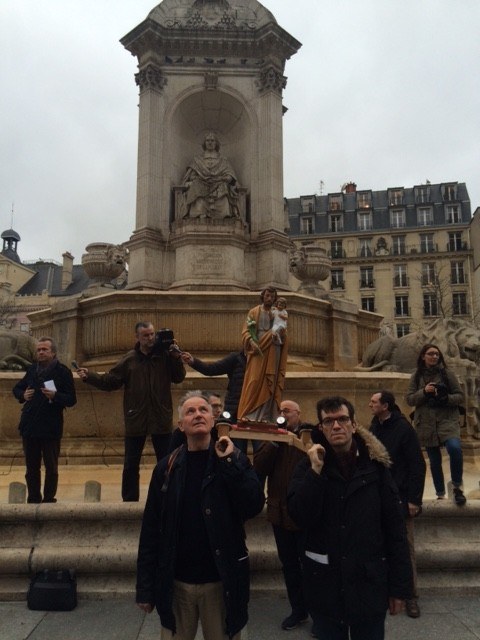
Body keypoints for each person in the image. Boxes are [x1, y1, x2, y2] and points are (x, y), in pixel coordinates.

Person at [136, 391, 265, 640]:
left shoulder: (233, 459)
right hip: (177, 584)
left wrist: (231, 464)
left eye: (203, 410)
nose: (198, 415)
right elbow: (151, 528)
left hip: (220, 583)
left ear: (213, 420)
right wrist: (145, 588)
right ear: (181, 425)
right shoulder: (167, 467)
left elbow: (253, 504)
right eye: (190, 411)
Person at [288, 396, 412, 640]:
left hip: (368, 585)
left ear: (354, 425)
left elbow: (395, 529)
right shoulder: (308, 467)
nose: (336, 426)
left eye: (343, 419)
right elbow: (299, 516)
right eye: (329, 421)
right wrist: (315, 472)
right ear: (321, 428)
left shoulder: (376, 468)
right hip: (325, 587)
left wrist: (399, 588)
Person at [77, 322, 185, 502]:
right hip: (136, 417)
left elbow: (179, 377)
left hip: (161, 417)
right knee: (130, 464)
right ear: (137, 337)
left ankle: (167, 499)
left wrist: (176, 358)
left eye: (152, 334)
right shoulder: (130, 359)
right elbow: (111, 381)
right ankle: (129, 500)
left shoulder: (165, 356)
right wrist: (90, 376)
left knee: (166, 462)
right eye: (146, 335)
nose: (150, 338)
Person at [253, 400, 313, 631]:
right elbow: (259, 466)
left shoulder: (309, 435)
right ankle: (298, 610)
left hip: (303, 512)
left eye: (287, 411)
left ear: (298, 413)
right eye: (280, 411)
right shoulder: (272, 437)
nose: (282, 414)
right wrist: (274, 443)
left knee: (310, 565)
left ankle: (318, 612)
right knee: (289, 565)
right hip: (279, 512)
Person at [369, 390, 426, 619]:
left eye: (374, 402)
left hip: (401, 497)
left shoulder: (404, 428)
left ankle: (411, 595)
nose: (370, 405)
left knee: (405, 547)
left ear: (386, 406)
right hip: (379, 496)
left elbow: (417, 464)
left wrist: (414, 499)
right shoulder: (375, 426)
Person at [12, 337, 77, 503]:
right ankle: (33, 498)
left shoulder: (62, 372)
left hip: (51, 426)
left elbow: (71, 399)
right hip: (30, 425)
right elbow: (17, 388)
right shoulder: (32, 369)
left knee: (51, 467)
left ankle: (49, 498)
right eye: (39, 350)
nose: (41, 352)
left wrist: (55, 396)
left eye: (44, 349)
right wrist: (23, 395)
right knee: (31, 467)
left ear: (53, 352)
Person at [406, 343, 466, 506]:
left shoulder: (447, 374)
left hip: (447, 419)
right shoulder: (416, 376)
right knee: (434, 460)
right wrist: (424, 392)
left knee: (455, 448)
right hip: (426, 422)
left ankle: (457, 487)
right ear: (423, 356)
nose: (434, 356)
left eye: (437, 354)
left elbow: (460, 396)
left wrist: (445, 398)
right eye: (431, 354)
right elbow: (409, 399)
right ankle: (440, 493)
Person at [237, 286, 288, 423]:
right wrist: (250, 341)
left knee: (269, 381)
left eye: (272, 297)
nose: (269, 299)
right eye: (267, 296)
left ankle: (265, 416)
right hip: (258, 349)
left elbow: (283, 329)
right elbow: (246, 331)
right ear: (263, 296)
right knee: (253, 380)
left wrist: (282, 333)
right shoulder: (254, 311)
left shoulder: (277, 312)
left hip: (273, 348)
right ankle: (248, 413)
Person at [181, 131, 240, 219]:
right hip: (201, 183)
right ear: (204, 143)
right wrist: (198, 178)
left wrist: (227, 178)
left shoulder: (223, 160)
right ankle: (199, 212)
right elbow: (191, 176)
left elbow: (230, 175)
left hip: (219, 183)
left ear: (216, 143)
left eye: (212, 140)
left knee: (224, 187)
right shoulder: (197, 159)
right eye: (208, 140)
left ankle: (223, 213)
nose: (210, 142)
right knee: (196, 186)